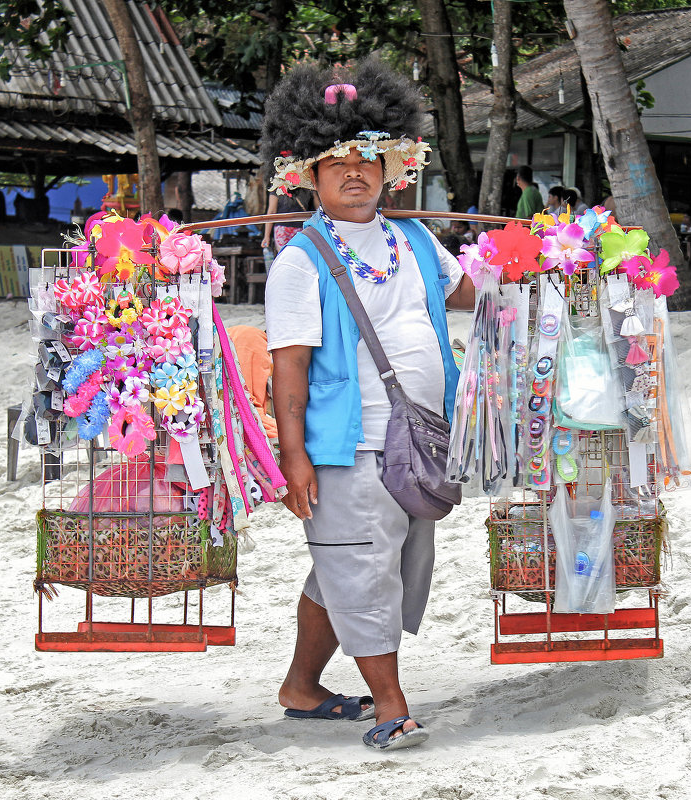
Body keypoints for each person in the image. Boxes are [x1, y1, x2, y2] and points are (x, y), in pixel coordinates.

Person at [260, 58, 476, 752]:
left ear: (390, 166)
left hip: (420, 441)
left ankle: (301, 686)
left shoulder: (413, 240)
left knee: (352, 566)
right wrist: (293, 458)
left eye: (367, 159)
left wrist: (544, 266)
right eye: (337, 162)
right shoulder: (300, 260)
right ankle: (392, 707)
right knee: (360, 566)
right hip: (347, 445)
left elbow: (470, 294)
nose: (355, 173)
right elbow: (288, 368)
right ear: (310, 177)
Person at [262, 188, 315, 256]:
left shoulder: (277, 186)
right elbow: (317, 208)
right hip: (301, 229)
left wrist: (266, 236)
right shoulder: (306, 186)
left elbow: (271, 212)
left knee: (284, 258)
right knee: (300, 258)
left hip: (283, 229)